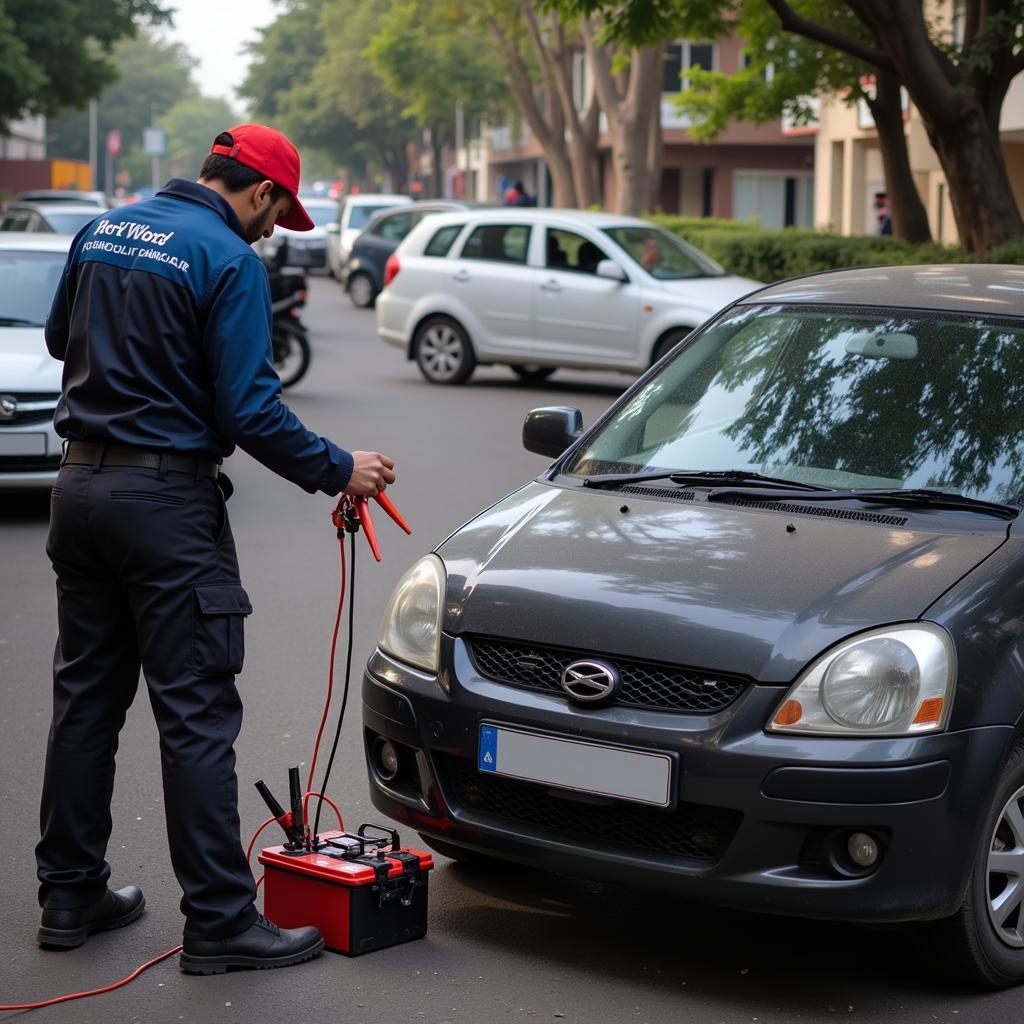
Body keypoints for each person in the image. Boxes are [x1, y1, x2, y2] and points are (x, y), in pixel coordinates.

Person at [36, 124, 396, 975]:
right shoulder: (228, 260)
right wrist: (341, 468)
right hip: (166, 506)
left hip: (78, 490)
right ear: (259, 192)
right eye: (278, 213)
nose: (274, 231)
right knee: (195, 716)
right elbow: (250, 411)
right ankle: (222, 923)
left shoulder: (102, 230)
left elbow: (60, 341)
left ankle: (69, 894)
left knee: (85, 700)